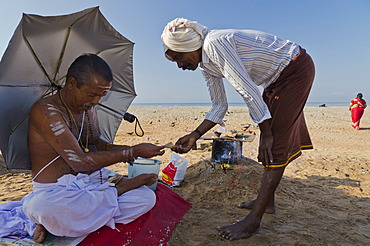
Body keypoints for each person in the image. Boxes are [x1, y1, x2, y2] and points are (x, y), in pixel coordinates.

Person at [161, 18, 315, 240]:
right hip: (275, 80)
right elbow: (219, 105)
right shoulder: (206, 64)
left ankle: (253, 222)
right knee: (272, 139)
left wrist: (267, 133)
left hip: (294, 69)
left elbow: (246, 89)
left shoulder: (214, 43)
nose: (179, 65)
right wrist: (195, 134)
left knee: (275, 144)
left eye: (178, 57)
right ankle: (267, 201)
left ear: (188, 47)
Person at [22, 54, 165, 243]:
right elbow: (80, 162)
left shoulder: (88, 108)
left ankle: (67, 223)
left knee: (146, 198)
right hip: (55, 192)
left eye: (102, 95)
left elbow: (97, 144)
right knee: (46, 209)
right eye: (92, 94)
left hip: (89, 181)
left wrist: (129, 149)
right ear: (71, 83)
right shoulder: (46, 111)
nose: (97, 101)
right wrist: (133, 151)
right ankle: (111, 195)